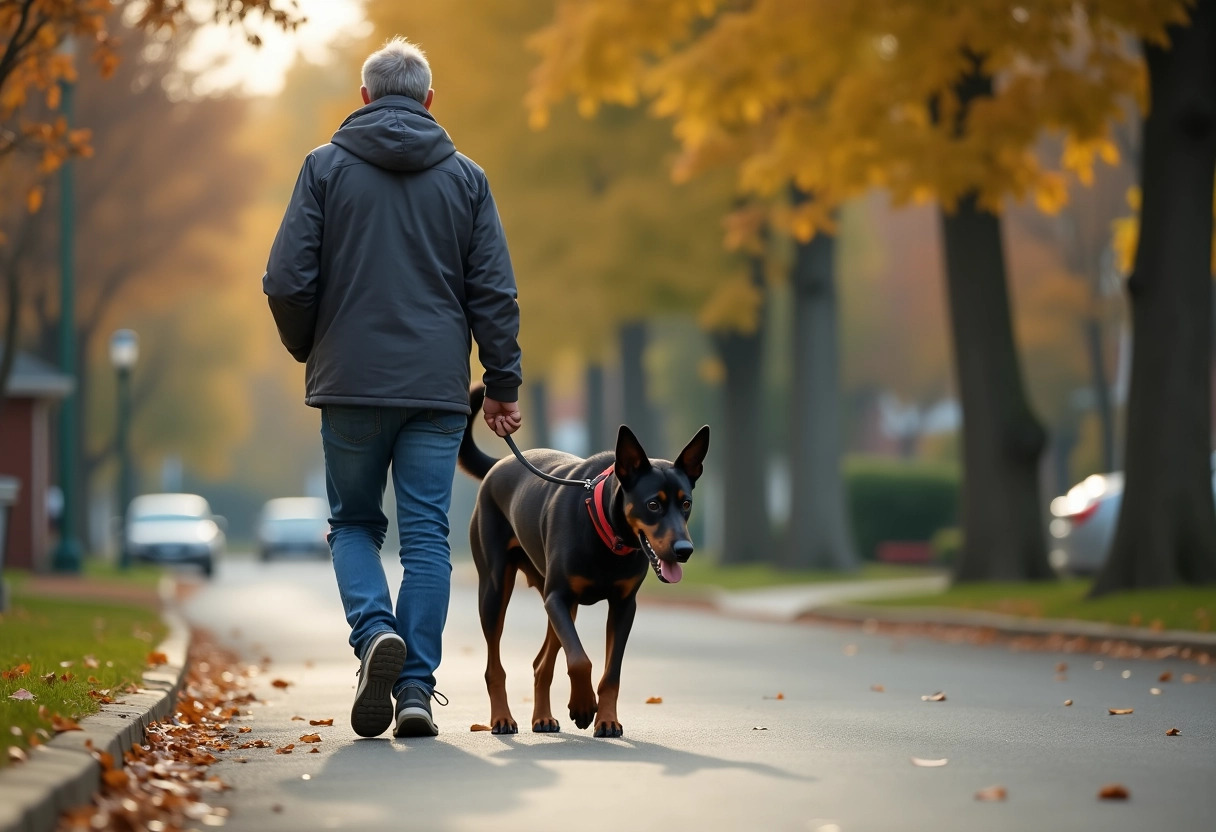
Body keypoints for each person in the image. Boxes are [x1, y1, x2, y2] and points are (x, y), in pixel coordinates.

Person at [262, 37, 523, 739]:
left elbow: (287, 280)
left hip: (349, 382)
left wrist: (309, 347)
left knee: (352, 523)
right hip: (437, 390)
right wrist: (502, 384)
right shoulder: (468, 179)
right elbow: (493, 291)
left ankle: (376, 631)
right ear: (430, 101)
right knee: (428, 540)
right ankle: (414, 689)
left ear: (366, 97)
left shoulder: (323, 169)